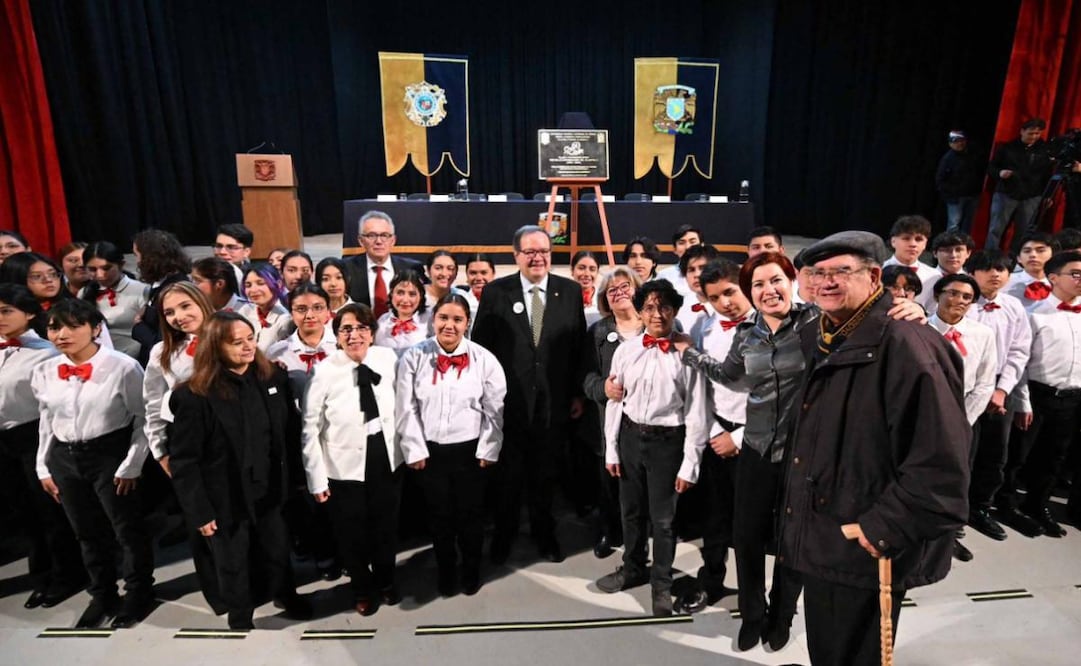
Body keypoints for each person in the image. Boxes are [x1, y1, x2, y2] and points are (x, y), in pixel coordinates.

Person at [780, 231, 970, 666]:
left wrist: (880, 529)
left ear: (873, 277)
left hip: (865, 539)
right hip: (827, 529)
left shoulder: (908, 345)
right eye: (817, 273)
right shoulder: (825, 333)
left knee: (855, 651)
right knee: (829, 644)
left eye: (841, 272)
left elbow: (942, 466)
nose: (826, 282)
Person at [675, 252, 809, 650]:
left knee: (792, 538)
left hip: (801, 451)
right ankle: (753, 614)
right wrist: (690, 352)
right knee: (746, 536)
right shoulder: (744, 335)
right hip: (756, 448)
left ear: (791, 281)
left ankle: (783, 613)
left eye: (774, 282)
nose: (766, 292)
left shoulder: (815, 323)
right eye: (758, 286)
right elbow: (727, 376)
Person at [168, 311, 310, 629]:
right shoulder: (193, 396)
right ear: (215, 347)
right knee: (232, 557)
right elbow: (184, 461)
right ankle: (240, 611)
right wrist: (200, 512)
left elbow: (288, 434)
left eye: (250, 339)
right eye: (237, 342)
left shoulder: (272, 377)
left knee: (277, 547)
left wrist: (298, 482)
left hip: (271, 484)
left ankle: (286, 595)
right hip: (225, 493)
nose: (247, 347)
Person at [31, 299, 155, 629]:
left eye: (73, 326)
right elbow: (47, 419)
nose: (62, 334)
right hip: (64, 456)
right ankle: (102, 593)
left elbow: (144, 418)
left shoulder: (123, 366)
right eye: (55, 327)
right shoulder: (44, 369)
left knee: (126, 529)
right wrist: (43, 466)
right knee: (85, 531)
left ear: (96, 328)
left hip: (109, 453)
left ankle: (139, 592)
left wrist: (132, 464)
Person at [472, 224, 588, 564]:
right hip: (509, 405)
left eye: (544, 252)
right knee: (507, 477)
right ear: (516, 256)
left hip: (554, 404)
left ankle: (544, 533)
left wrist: (577, 394)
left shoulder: (568, 291)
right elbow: (482, 348)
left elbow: (578, 346)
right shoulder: (496, 292)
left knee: (545, 474)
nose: (538, 258)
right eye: (530, 252)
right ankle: (504, 536)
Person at [596, 279, 708, 617]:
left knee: (663, 520)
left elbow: (697, 411)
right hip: (630, 438)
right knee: (630, 512)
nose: (657, 314)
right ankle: (632, 568)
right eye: (649, 307)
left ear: (674, 310)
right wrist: (612, 450)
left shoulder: (687, 355)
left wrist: (690, 464)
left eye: (664, 307)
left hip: (667, 443)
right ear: (640, 311)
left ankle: (661, 583)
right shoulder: (626, 350)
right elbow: (616, 401)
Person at [396, 294, 508, 596]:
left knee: (471, 518)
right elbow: (406, 408)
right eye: (443, 317)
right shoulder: (413, 357)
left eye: (457, 319)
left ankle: (471, 569)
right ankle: (446, 571)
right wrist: (415, 450)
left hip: (470, 452)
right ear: (434, 320)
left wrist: (488, 449)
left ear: (467, 323)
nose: (449, 325)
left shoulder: (485, 360)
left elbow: (494, 410)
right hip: (431, 452)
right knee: (439, 517)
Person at [301, 304, 403, 616]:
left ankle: (386, 580)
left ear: (372, 333)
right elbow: (310, 429)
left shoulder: (389, 358)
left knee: (386, 528)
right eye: (346, 329)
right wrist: (316, 479)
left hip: (386, 458)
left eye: (361, 328)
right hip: (343, 466)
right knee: (352, 534)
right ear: (337, 335)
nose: (354, 334)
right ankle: (362, 587)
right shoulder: (324, 370)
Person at [0, 285, 85, 611]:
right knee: (24, 513)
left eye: (8, 310)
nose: (1, 318)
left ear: (30, 313)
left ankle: (67, 574)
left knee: (49, 511)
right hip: (3, 441)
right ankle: (41, 575)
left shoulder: (46, 352)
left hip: (35, 435)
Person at [141, 282, 225, 613]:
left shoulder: (231, 334)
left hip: (233, 441)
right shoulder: (162, 351)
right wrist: (160, 450)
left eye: (185, 306)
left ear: (202, 302)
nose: (179, 316)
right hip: (188, 447)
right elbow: (151, 403)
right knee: (201, 519)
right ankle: (218, 593)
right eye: (169, 312)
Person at [675, 259, 749, 614]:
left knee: (756, 521)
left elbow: (785, 393)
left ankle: (759, 593)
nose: (725, 303)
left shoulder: (772, 326)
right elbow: (700, 386)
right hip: (718, 432)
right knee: (715, 516)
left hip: (760, 436)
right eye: (715, 297)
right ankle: (713, 579)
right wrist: (718, 432)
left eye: (730, 292)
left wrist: (742, 436)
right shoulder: (703, 328)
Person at [996, 251, 1081, 538]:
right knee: (1019, 455)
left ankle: (1037, 505)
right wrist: (1022, 401)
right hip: (1037, 393)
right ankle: (1006, 504)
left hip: (1072, 396)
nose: (1080, 280)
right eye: (1075, 273)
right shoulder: (1034, 315)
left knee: (1055, 457)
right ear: (1054, 277)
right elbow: (1020, 361)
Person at [927, 273, 998, 562]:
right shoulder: (918, 328)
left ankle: (949, 538)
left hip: (962, 418)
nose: (958, 301)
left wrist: (961, 424)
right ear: (938, 295)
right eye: (953, 293)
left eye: (967, 297)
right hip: (922, 415)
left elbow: (984, 383)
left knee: (954, 482)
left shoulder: (982, 334)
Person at [963, 250, 1030, 543]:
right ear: (972, 272)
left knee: (994, 456)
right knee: (961, 455)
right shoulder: (959, 301)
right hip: (963, 391)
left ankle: (979, 508)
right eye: (988, 269)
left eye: (1002, 269)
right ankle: (952, 514)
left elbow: (1019, 351)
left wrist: (1002, 391)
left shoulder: (1014, 306)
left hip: (1000, 391)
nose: (996, 274)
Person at [582, 268, 643, 559]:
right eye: (611, 290)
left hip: (650, 423)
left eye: (624, 286)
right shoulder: (598, 332)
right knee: (609, 483)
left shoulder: (656, 324)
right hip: (610, 422)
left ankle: (642, 536)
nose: (619, 292)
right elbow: (586, 376)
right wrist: (602, 388)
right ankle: (611, 531)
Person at [985, 118, 1054, 250]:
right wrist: (1000, 173)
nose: (1034, 137)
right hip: (1006, 193)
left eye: (1037, 134)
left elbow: (1048, 176)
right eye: (1031, 133)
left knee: (1023, 232)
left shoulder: (1044, 150)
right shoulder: (1008, 148)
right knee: (996, 229)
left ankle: (1016, 259)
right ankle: (990, 257)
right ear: (1022, 131)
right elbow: (991, 167)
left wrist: (1048, 195)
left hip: (1031, 196)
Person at [130, 228, 192, 366]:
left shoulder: (175, 289)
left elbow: (163, 342)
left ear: (149, 258)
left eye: (137, 255)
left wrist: (138, 326)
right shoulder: (160, 284)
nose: (137, 262)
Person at [344, 210, 423, 317]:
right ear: (361, 241)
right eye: (371, 235)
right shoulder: (346, 268)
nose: (379, 241)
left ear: (393, 240)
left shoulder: (412, 268)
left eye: (384, 235)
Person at [266, 283, 338, 394]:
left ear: (328, 311)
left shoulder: (341, 345)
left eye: (317, 308)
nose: (309, 315)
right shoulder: (277, 352)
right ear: (291, 313)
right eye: (301, 309)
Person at [82, 241, 149, 359]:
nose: (100, 275)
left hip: (138, 358)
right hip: (99, 358)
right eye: (92, 269)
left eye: (106, 268)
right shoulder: (84, 293)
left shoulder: (141, 290)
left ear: (121, 265)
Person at [936, 130, 984, 233]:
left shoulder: (973, 155)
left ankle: (963, 247)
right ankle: (949, 247)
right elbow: (940, 181)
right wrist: (953, 192)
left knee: (969, 224)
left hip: (972, 195)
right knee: (953, 225)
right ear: (950, 144)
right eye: (956, 141)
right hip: (955, 198)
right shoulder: (947, 159)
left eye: (961, 140)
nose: (959, 143)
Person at [373, 269, 429, 357]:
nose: (405, 300)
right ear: (391, 294)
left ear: (421, 296)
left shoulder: (430, 320)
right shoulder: (382, 321)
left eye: (412, 294)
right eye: (400, 293)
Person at [237, 263, 292, 351]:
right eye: (248, 285)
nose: (253, 290)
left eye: (261, 283)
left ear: (279, 284)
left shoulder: (285, 319)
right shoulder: (245, 311)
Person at [918, 231, 974, 311]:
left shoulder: (973, 283)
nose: (953, 255)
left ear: (968, 253)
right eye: (947, 250)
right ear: (935, 253)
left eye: (958, 250)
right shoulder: (921, 277)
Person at [882, 214, 939, 290]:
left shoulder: (934, 276)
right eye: (906, 238)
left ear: (925, 244)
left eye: (919, 239)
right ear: (893, 241)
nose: (913, 244)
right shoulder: (878, 270)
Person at [1004, 232, 1059, 307]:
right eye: (1027, 251)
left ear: (1053, 255)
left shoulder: (1062, 284)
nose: (1033, 255)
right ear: (1018, 258)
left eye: (1040, 251)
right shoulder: (1004, 282)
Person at [674, 244, 720, 332]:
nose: (697, 275)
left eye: (703, 268)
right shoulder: (679, 309)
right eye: (691, 270)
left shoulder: (732, 304)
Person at [656, 224, 702, 297]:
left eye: (692, 242)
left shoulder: (713, 272)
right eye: (682, 243)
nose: (688, 247)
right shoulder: (664, 276)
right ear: (674, 249)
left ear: (702, 245)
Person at [460, 252, 496, 318]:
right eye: (473, 273)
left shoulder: (504, 301)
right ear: (466, 275)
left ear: (493, 274)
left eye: (484, 273)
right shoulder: (460, 302)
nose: (478, 278)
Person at [571, 250, 601, 326]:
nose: (587, 274)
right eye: (581, 268)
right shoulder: (562, 298)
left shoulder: (604, 299)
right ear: (572, 270)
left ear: (597, 272)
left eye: (592, 269)